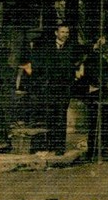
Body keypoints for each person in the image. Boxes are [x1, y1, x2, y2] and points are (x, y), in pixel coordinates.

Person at [23, 24, 83, 154]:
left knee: (61, 117)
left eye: (67, 32)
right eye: (62, 32)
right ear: (56, 33)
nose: (65, 34)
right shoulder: (47, 48)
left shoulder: (72, 48)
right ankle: (49, 144)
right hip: (49, 88)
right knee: (49, 116)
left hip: (64, 89)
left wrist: (74, 75)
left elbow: (77, 63)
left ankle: (59, 147)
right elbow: (39, 67)